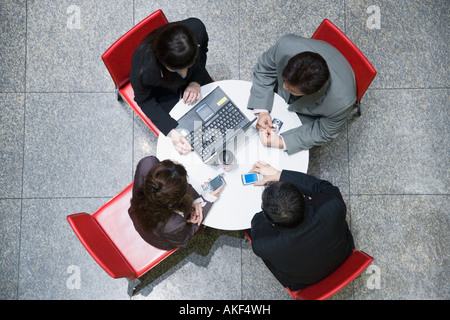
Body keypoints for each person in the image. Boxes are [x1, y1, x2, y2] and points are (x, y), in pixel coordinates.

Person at [248, 161, 355, 290]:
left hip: (304, 282)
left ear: (271, 222)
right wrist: (279, 175)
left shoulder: (262, 245)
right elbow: (322, 186)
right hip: (343, 255)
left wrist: (265, 212)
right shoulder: (332, 205)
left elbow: (256, 221)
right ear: (304, 197)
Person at [247, 34, 357, 155]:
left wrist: (281, 141)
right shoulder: (285, 46)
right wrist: (262, 110)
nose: (283, 87)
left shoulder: (341, 103)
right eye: (284, 81)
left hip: (310, 113)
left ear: (314, 92)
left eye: (291, 90)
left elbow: (324, 131)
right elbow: (265, 68)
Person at [130, 18, 213, 154]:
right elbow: (144, 100)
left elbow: (203, 50)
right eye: (178, 69)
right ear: (162, 61)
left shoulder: (197, 28)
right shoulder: (144, 68)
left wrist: (195, 81)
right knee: (189, 139)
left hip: (196, 76)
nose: (184, 73)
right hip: (164, 92)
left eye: (187, 66)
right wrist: (172, 132)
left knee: (215, 110)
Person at [128, 156, 223, 250]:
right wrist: (206, 200)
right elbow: (185, 237)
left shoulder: (147, 162)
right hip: (158, 238)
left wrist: (195, 201)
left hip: (138, 211)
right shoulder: (173, 225)